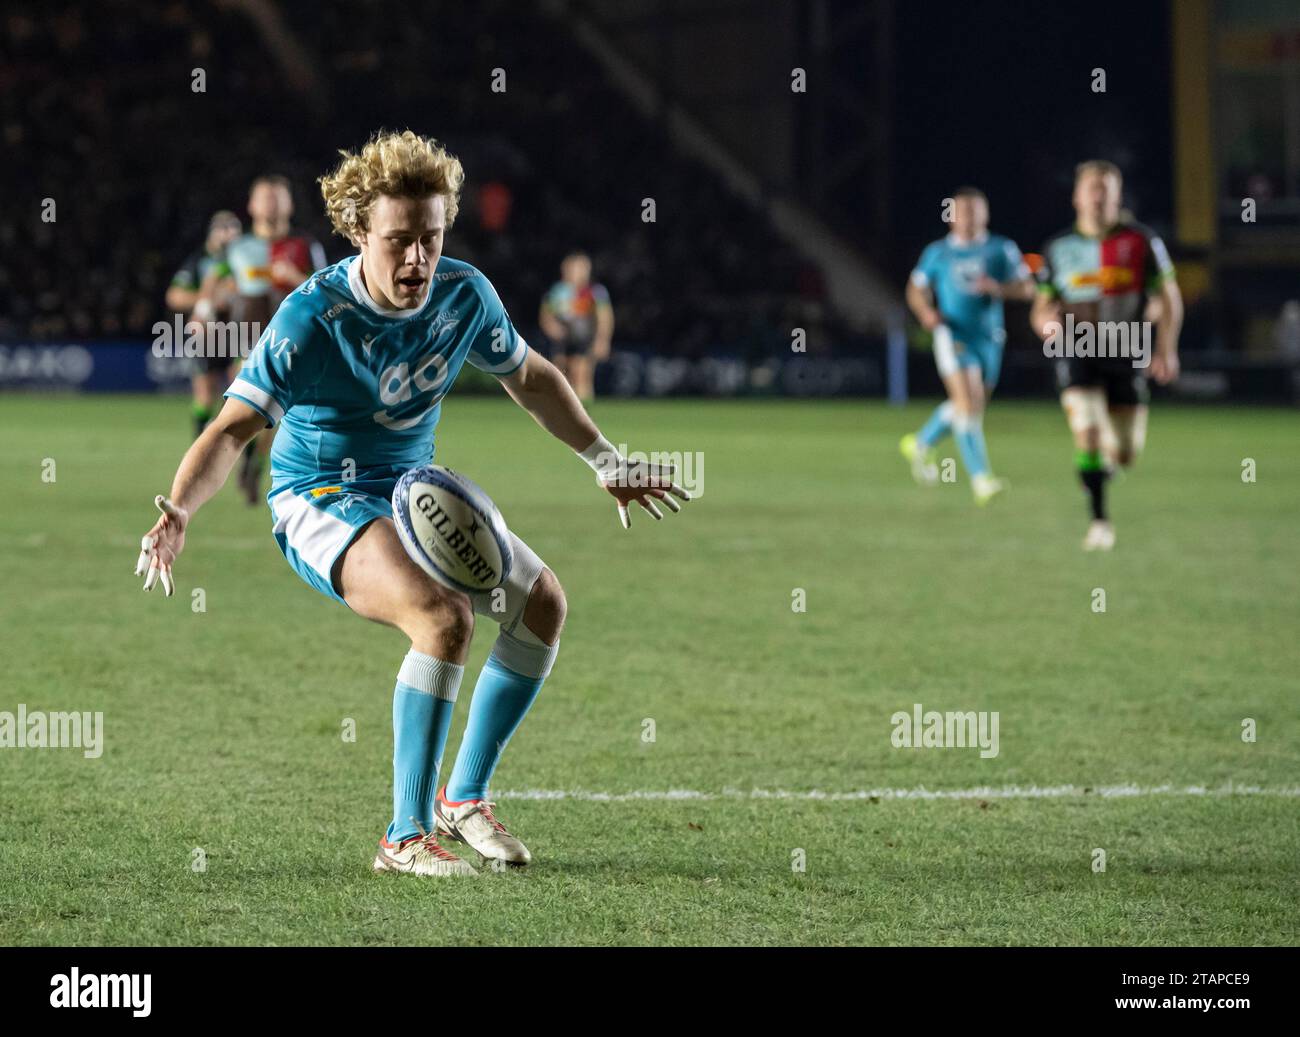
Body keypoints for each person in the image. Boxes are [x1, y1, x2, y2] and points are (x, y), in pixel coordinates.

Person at [133, 131, 690, 878]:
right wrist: (179, 510)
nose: (417, 259)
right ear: (360, 230)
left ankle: (463, 801)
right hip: (318, 496)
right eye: (399, 240)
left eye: (431, 237)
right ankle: (403, 836)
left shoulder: (463, 294)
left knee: (543, 605)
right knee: (441, 616)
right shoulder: (313, 317)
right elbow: (234, 427)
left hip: (409, 490)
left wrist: (605, 458)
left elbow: (530, 377)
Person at [1029, 160, 1183, 550]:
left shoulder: (1142, 241)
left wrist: (1166, 349)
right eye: (1092, 188)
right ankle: (1099, 522)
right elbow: (1041, 308)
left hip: (1126, 346)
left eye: (1107, 188)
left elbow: (1169, 298)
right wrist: (1046, 325)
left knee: (1126, 452)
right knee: (1089, 433)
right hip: (1078, 347)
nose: (1099, 195)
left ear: (1118, 195)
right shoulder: (1058, 248)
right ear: (1077, 196)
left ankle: (1099, 469)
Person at [901, 187, 1035, 504]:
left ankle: (920, 443)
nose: (969, 217)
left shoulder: (1001, 249)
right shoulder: (938, 253)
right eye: (962, 211)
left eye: (975, 211)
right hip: (953, 335)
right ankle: (981, 479)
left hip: (990, 339)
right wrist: (925, 312)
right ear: (951, 216)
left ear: (985, 214)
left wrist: (999, 288)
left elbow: (1028, 289)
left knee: (971, 406)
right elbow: (916, 288)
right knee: (968, 403)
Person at [223, 174, 327, 503]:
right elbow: (214, 284)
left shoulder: (305, 245)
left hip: (292, 339)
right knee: (245, 406)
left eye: (278, 197)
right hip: (246, 334)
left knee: (274, 410)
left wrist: (294, 277)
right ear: (252, 205)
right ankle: (247, 458)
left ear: (290, 204)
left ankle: (255, 461)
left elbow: (329, 288)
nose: (271, 203)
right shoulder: (236, 248)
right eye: (265, 197)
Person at [165, 210, 242, 438]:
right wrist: (206, 300)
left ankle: (242, 455)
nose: (229, 236)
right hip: (206, 335)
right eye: (224, 229)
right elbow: (174, 295)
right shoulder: (198, 260)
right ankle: (198, 448)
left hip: (240, 333)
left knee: (241, 395)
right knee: (205, 398)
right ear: (213, 232)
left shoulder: (242, 260)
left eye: (234, 230)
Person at [538, 251, 613, 403]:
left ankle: (583, 412)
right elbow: (546, 315)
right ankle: (562, 409)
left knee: (581, 373)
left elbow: (605, 317)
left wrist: (602, 340)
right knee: (560, 373)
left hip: (584, 338)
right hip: (562, 339)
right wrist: (551, 327)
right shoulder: (557, 291)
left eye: (579, 268)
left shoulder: (595, 291)